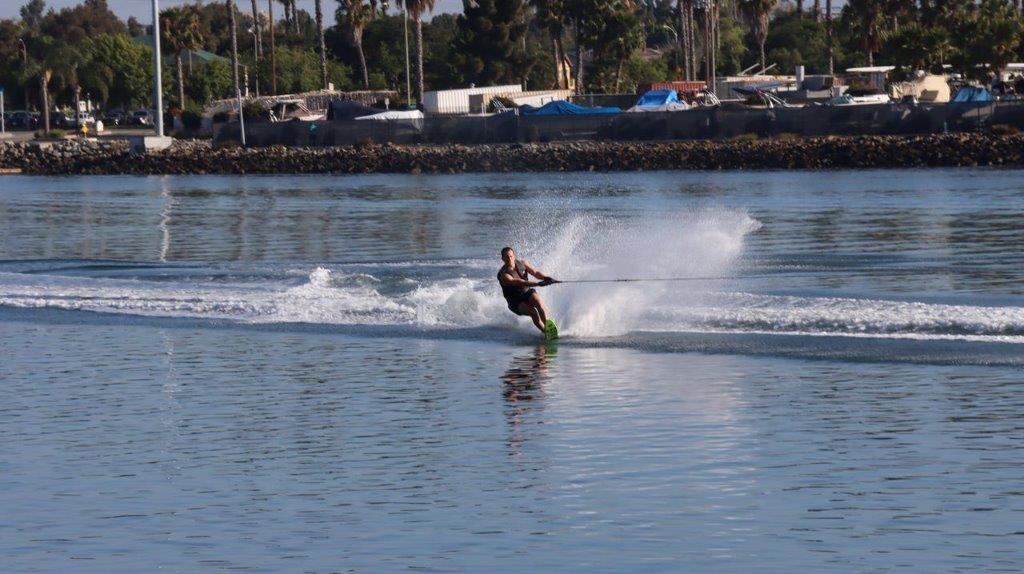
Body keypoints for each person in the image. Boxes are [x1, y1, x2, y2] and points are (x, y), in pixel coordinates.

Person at [497, 246, 556, 334]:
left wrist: (546, 278)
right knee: (533, 312)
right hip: (514, 301)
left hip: (526, 292)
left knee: (539, 303)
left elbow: (535, 273)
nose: (509, 259)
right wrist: (538, 284)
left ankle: (549, 326)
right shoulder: (504, 274)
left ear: (514, 256)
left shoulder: (523, 263)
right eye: (506, 257)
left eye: (510, 256)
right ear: (502, 259)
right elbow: (519, 282)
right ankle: (545, 332)